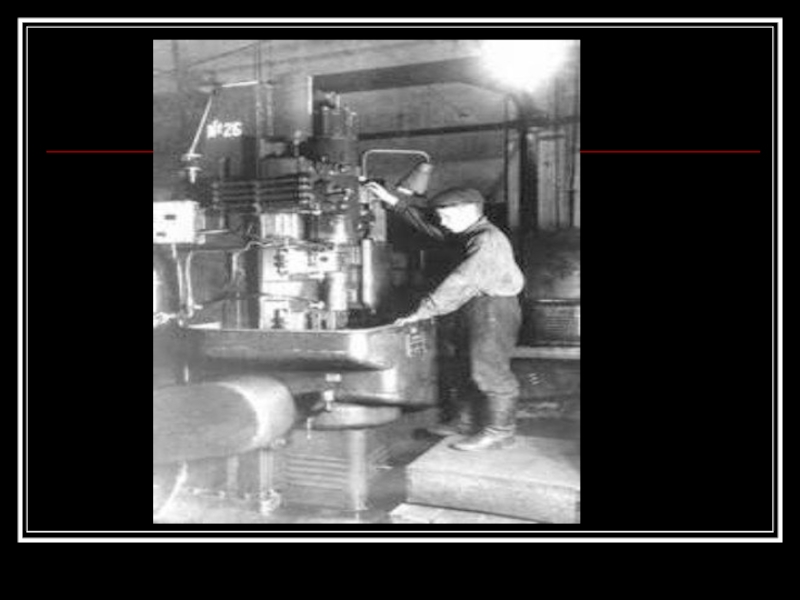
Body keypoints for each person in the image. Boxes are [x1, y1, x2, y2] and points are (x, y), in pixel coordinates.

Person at [364, 182, 525, 451]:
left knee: (488, 369)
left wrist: (422, 312)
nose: (442, 222)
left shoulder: (486, 240)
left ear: (467, 211)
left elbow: (461, 281)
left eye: (446, 216)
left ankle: (500, 432)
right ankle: (465, 421)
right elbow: (430, 227)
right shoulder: (467, 232)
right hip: (472, 306)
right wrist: (394, 203)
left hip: (493, 308)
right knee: (461, 365)